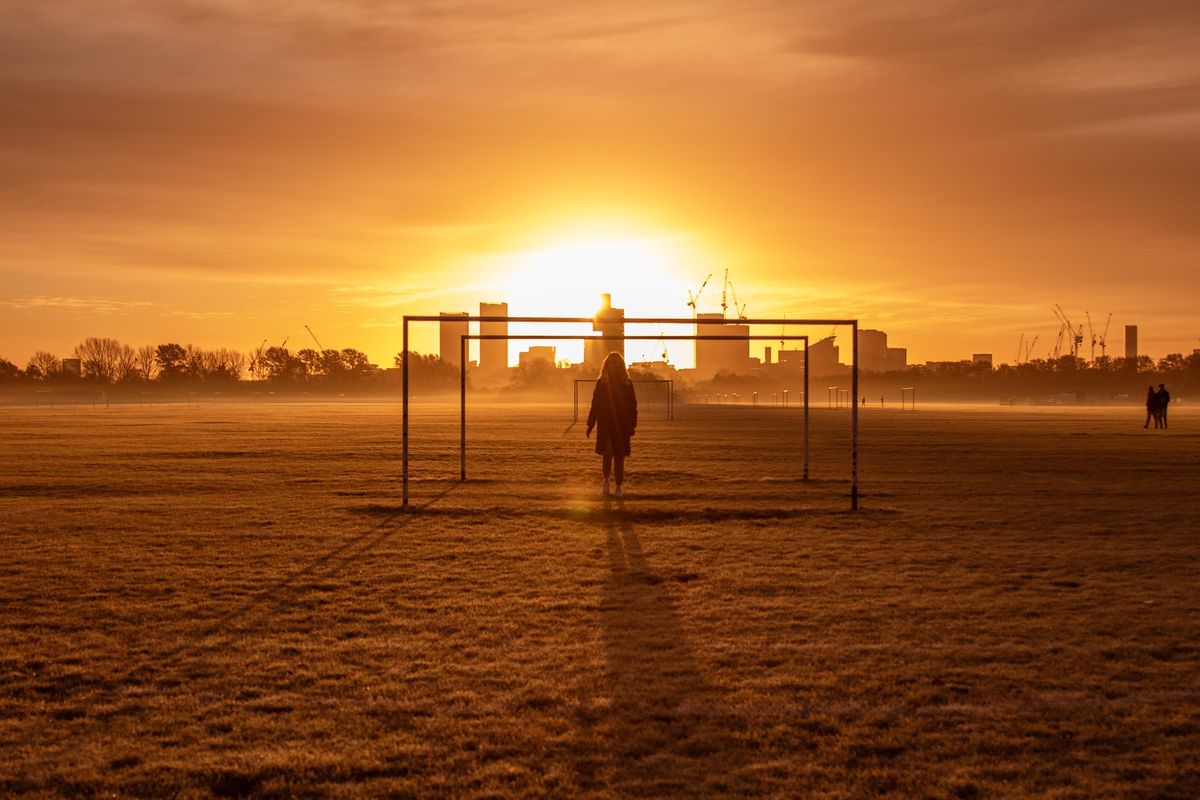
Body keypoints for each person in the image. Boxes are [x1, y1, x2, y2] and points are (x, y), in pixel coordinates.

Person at [586, 352, 638, 498]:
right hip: (606, 423)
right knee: (607, 453)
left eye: (616, 362)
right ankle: (606, 480)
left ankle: (619, 486)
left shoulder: (627, 383)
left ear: (620, 365)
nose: (614, 365)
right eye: (611, 362)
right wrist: (590, 424)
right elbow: (595, 404)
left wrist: (632, 425)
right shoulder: (602, 383)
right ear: (607, 365)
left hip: (621, 424)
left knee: (619, 456)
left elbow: (633, 406)